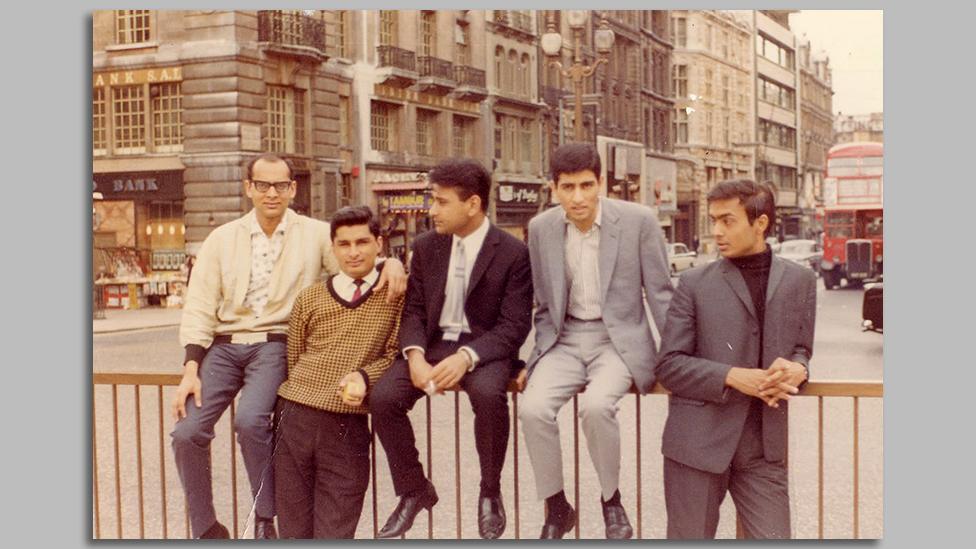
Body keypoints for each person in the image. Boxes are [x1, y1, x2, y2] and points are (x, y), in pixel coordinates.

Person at [170, 154, 407, 539]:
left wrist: (390, 264)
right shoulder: (221, 238)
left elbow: (355, 262)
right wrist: (191, 369)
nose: (271, 193)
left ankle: (265, 516)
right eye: (262, 185)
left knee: (250, 421)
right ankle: (206, 527)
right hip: (224, 346)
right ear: (248, 188)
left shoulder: (315, 234)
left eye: (281, 185)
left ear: (293, 189)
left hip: (274, 343)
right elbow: (198, 305)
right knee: (186, 433)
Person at [369, 158, 533, 539]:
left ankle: (490, 491)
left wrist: (468, 357)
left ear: (472, 204)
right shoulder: (426, 246)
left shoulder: (512, 252)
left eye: (441, 202)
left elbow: (514, 325)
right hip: (431, 345)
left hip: (483, 348)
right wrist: (414, 355)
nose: (432, 210)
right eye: (433, 200)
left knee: (491, 396)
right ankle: (414, 489)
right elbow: (413, 309)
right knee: (383, 398)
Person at [519, 143, 674, 539]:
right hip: (565, 340)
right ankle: (556, 507)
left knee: (596, 406)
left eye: (587, 185)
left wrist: (677, 358)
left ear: (601, 182)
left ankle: (612, 501)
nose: (578, 197)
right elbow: (543, 302)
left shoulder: (639, 221)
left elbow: (660, 295)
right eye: (567, 187)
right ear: (553, 188)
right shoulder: (540, 229)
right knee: (533, 409)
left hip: (617, 342)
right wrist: (536, 358)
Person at [654, 179, 816, 539]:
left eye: (727, 221)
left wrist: (798, 368)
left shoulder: (801, 280)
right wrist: (732, 376)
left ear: (760, 223)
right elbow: (669, 365)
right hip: (696, 447)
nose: (716, 232)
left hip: (763, 449)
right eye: (713, 221)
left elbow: (802, 348)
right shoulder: (694, 283)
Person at [274, 206, 405, 538]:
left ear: (379, 243)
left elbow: (395, 354)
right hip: (294, 416)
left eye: (362, 242)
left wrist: (364, 376)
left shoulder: (395, 295)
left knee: (335, 530)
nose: (353, 252)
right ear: (333, 248)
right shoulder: (311, 298)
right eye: (343, 244)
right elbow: (295, 356)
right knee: (292, 530)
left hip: (346, 423)